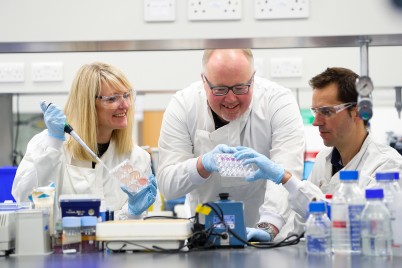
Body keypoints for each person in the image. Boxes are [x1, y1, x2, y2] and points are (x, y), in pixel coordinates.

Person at [157, 49, 305, 242]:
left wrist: (268, 226)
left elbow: (288, 172)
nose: (231, 99)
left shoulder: (278, 102)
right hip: (207, 236)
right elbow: (168, 186)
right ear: (204, 81)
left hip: (272, 236)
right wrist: (201, 165)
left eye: (240, 88)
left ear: (253, 78)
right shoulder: (184, 106)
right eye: (219, 89)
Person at [234, 67, 402, 231]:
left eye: (326, 112)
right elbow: (301, 224)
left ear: (357, 112)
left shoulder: (387, 166)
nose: (316, 122)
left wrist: (286, 178)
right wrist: (268, 233)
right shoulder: (324, 159)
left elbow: (356, 224)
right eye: (315, 111)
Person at [12, 62, 157, 219]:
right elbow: (24, 199)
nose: (125, 105)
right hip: (59, 243)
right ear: (88, 104)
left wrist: (132, 212)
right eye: (113, 98)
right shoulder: (50, 145)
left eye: (127, 95)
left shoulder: (137, 158)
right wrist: (53, 143)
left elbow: (134, 231)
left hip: (116, 244)